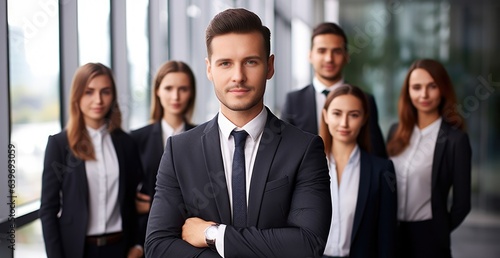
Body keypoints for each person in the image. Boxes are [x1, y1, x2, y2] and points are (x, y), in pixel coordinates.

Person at [145, 8, 332, 258]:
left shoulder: (304, 148)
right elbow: (158, 246)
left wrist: (214, 234)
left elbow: (308, 244)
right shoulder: (179, 151)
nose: (238, 77)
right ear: (210, 69)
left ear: (270, 66)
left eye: (250, 62)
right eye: (225, 63)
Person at [39, 63, 144, 258]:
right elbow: (48, 210)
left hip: (121, 248)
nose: (98, 100)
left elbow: (134, 201)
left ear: (113, 96)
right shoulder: (59, 145)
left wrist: (138, 244)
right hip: (77, 251)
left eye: (105, 92)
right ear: (77, 96)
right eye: (89, 92)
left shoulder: (126, 143)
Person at [386, 59, 472, 258]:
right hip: (391, 234)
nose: (423, 95)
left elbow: (462, 204)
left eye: (432, 86)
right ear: (408, 92)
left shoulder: (455, 140)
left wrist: (439, 231)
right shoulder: (394, 132)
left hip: (429, 238)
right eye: (416, 87)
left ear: (442, 89)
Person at [282, 22, 387, 158]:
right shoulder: (294, 101)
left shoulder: (365, 100)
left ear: (346, 56)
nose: (329, 58)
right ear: (310, 55)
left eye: (336, 51)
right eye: (322, 51)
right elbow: (284, 154)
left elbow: (376, 153)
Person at [319, 84, 397, 258]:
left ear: (364, 119)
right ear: (325, 116)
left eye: (353, 115)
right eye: (337, 114)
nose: (344, 123)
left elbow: (387, 236)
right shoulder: (305, 166)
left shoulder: (382, 171)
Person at [130, 60, 197, 243]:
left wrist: (151, 204)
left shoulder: (204, 136)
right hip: (148, 236)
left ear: (191, 93)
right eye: (168, 88)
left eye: (183, 89)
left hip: (192, 236)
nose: (175, 96)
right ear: (157, 91)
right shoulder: (136, 139)